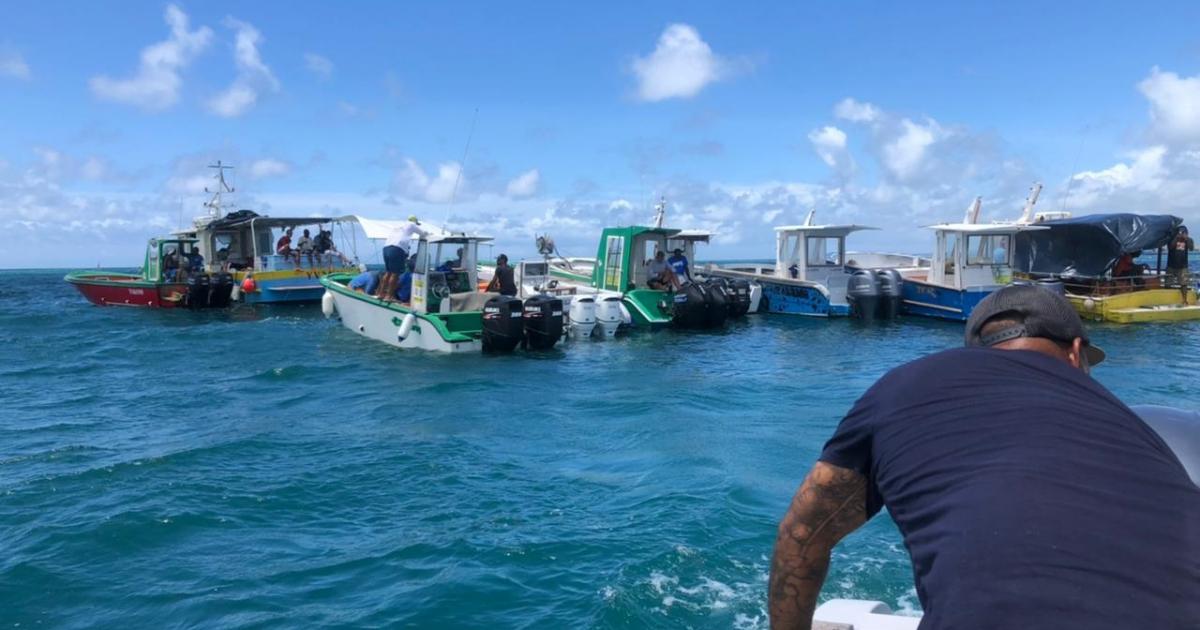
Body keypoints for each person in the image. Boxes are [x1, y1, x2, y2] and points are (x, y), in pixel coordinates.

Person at [768, 284, 1199, 630]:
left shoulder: (904, 386)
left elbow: (803, 535)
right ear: (1075, 353)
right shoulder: (1127, 422)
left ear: (975, 350)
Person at [378, 216, 428, 301]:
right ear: (415, 222)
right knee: (395, 274)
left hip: (386, 248)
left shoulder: (399, 227)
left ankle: (381, 294)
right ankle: (389, 296)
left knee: (388, 272)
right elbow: (423, 233)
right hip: (397, 249)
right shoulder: (411, 224)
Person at [1167, 226, 1194, 295]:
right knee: (1168, 284)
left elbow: (1191, 248)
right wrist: (1176, 238)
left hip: (1183, 266)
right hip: (1171, 266)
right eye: (1180, 232)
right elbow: (1170, 247)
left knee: (1184, 283)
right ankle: (1167, 299)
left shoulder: (1188, 239)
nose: (1182, 234)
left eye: (1184, 232)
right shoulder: (1172, 239)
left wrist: (1186, 238)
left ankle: (1184, 300)